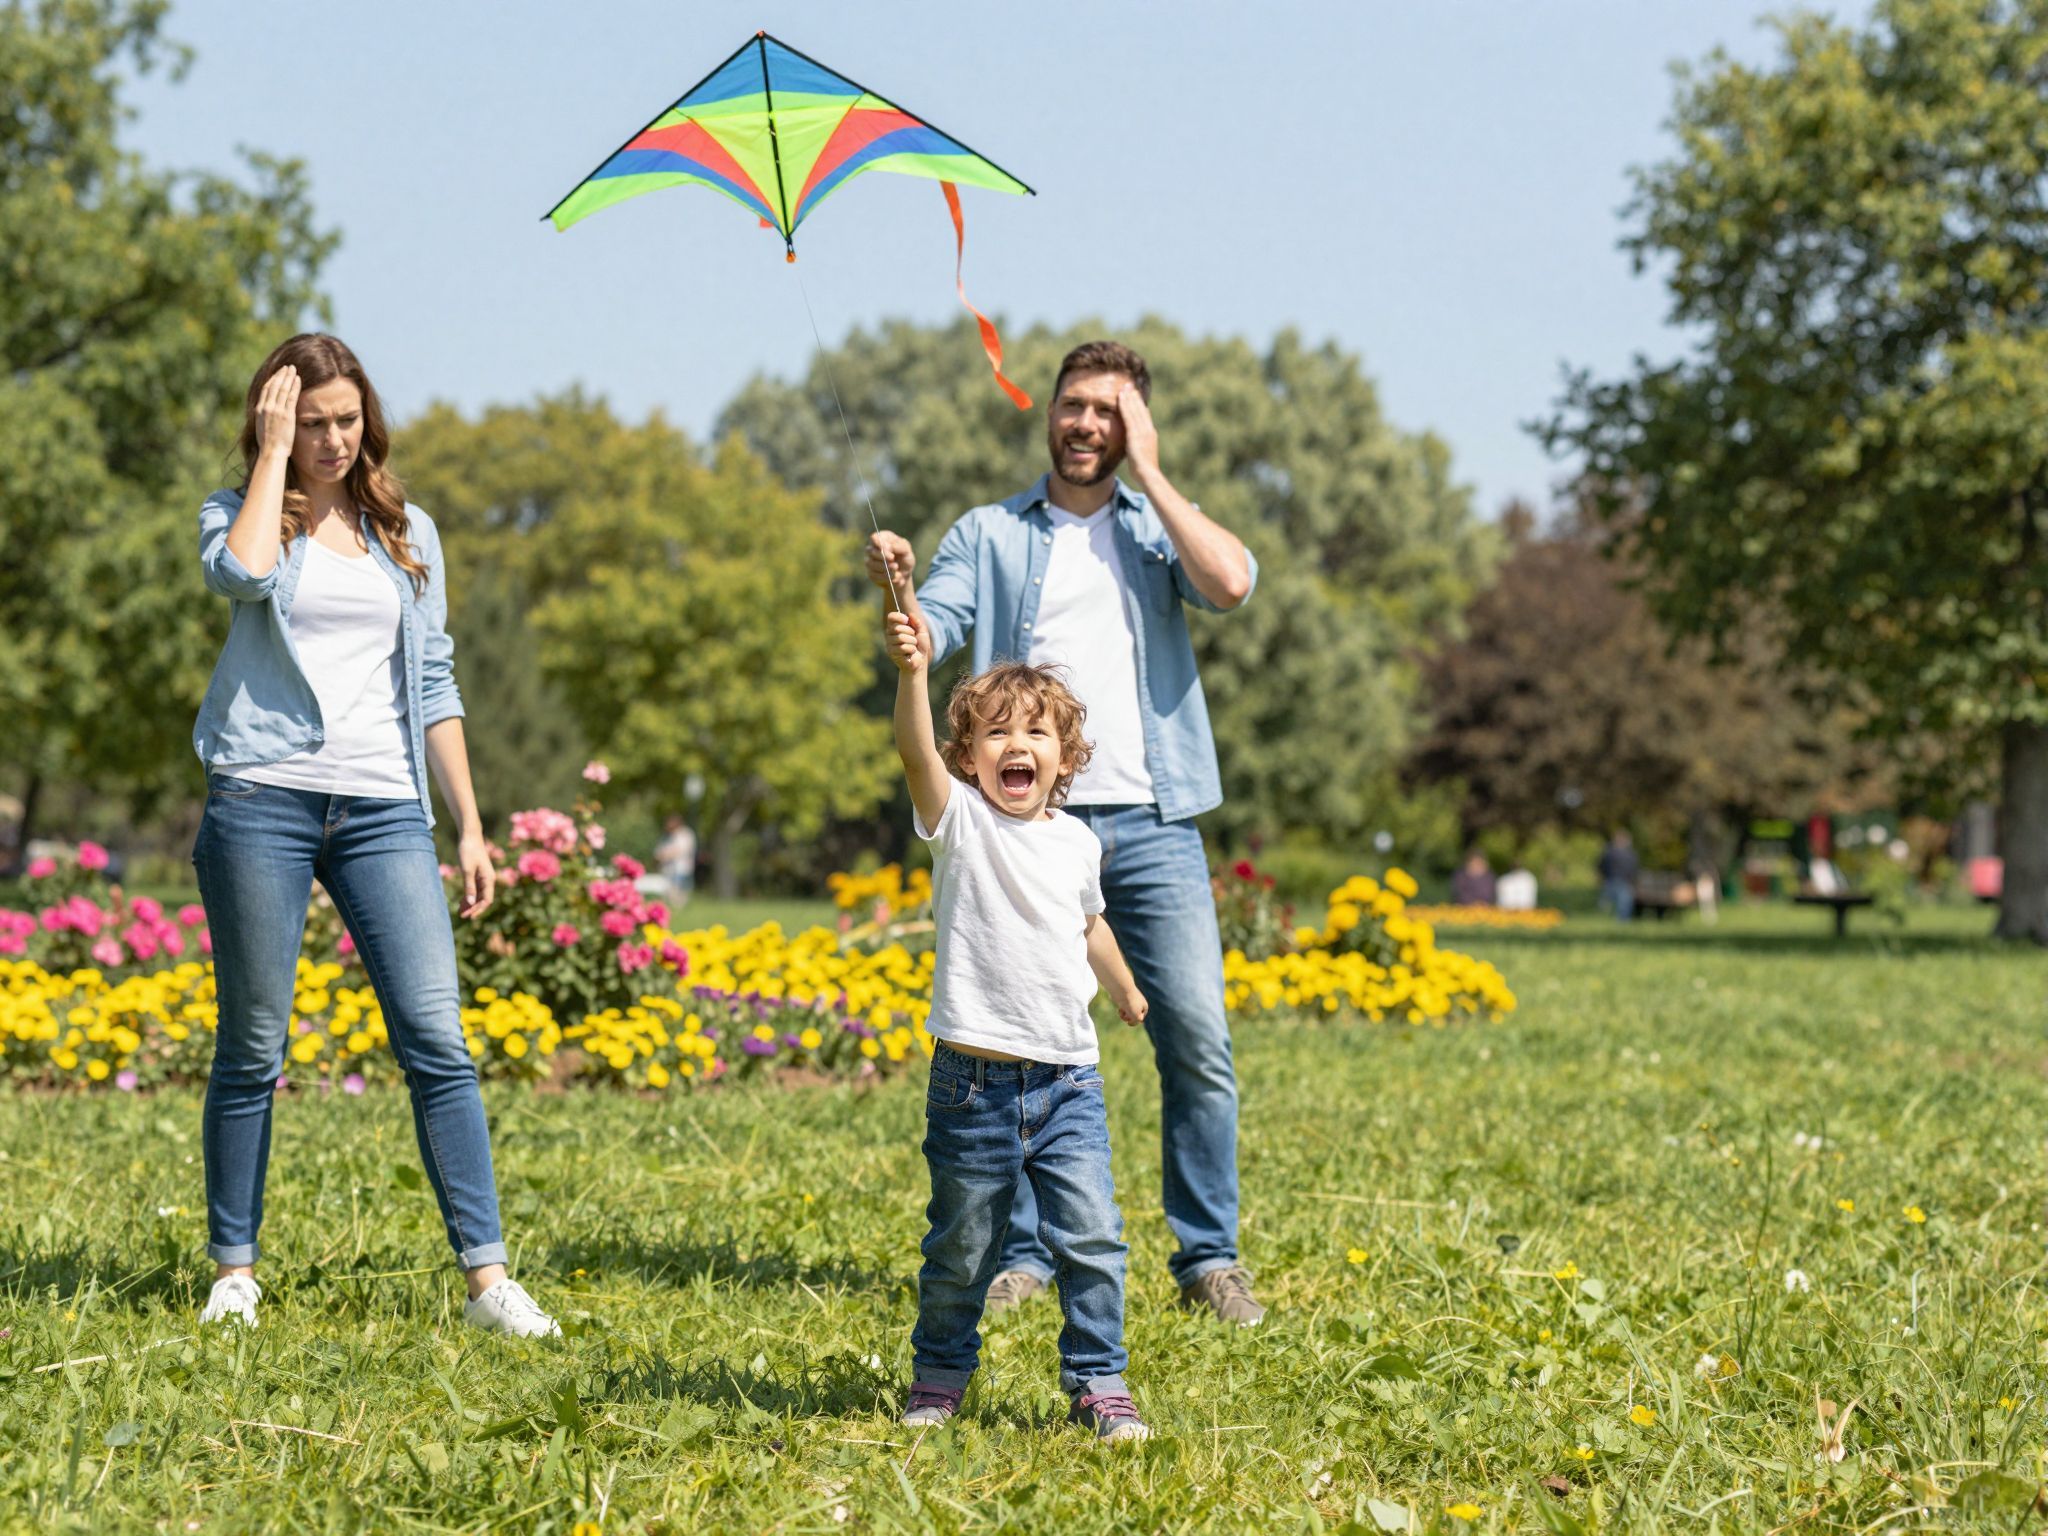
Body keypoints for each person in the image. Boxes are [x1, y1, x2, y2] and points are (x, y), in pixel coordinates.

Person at [866, 340, 1265, 1325]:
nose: (1085, 424)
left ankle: (1206, 1257)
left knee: (1197, 1041)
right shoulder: (991, 532)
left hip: (1154, 821)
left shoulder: (1153, 528)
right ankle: (1026, 1254)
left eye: (1109, 411)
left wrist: (1154, 473)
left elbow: (1230, 584)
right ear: (1046, 412)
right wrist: (904, 601)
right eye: (1073, 405)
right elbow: (938, 623)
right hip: (1027, 831)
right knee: (1022, 1050)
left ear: (1133, 425)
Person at [190, 334, 556, 1337]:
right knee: (255, 1041)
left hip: (385, 810)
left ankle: (488, 1282)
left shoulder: (409, 531)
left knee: (437, 1037)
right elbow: (243, 579)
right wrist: (271, 461)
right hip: (262, 796)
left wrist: (471, 825)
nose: (333, 440)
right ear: (275, 422)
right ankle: (234, 1272)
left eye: (346, 420)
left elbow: (434, 679)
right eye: (310, 423)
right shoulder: (241, 513)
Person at [883, 604, 1151, 1442]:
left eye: (1035, 733)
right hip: (972, 1085)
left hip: (1068, 1082)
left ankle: (1099, 1380)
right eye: (995, 734)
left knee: (1094, 1239)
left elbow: (1088, 925)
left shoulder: (1077, 844)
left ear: (1065, 759)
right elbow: (911, 751)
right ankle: (940, 1375)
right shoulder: (960, 824)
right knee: (963, 1247)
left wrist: (1125, 990)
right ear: (968, 758)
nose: (1015, 747)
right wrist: (914, 673)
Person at [1598, 829, 1639, 920]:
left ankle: (1602, 919)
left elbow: (1601, 866)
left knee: (1606, 904)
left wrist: (1602, 877)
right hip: (1624, 882)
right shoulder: (1631, 854)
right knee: (1623, 906)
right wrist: (1633, 882)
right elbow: (1634, 870)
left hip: (1610, 880)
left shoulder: (1608, 852)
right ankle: (1621, 923)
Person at [655, 815, 697, 906]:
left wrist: (667, 854)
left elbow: (681, 850)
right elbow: (659, 852)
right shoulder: (667, 836)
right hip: (668, 869)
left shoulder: (685, 834)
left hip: (681, 868)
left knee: (678, 892)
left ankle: (679, 908)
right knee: (670, 892)